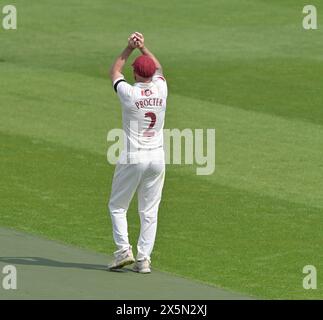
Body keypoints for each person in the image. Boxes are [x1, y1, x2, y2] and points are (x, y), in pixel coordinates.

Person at [107, 32, 167, 273]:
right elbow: (159, 67)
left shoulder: (129, 94)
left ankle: (123, 251)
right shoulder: (161, 89)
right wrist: (143, 48)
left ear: (135, 74)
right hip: (157, 159)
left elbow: (114, 72)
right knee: (149, 211)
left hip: (133, 157)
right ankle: (144, 260)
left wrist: (128, 47)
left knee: (117, 206)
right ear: (152, 74)